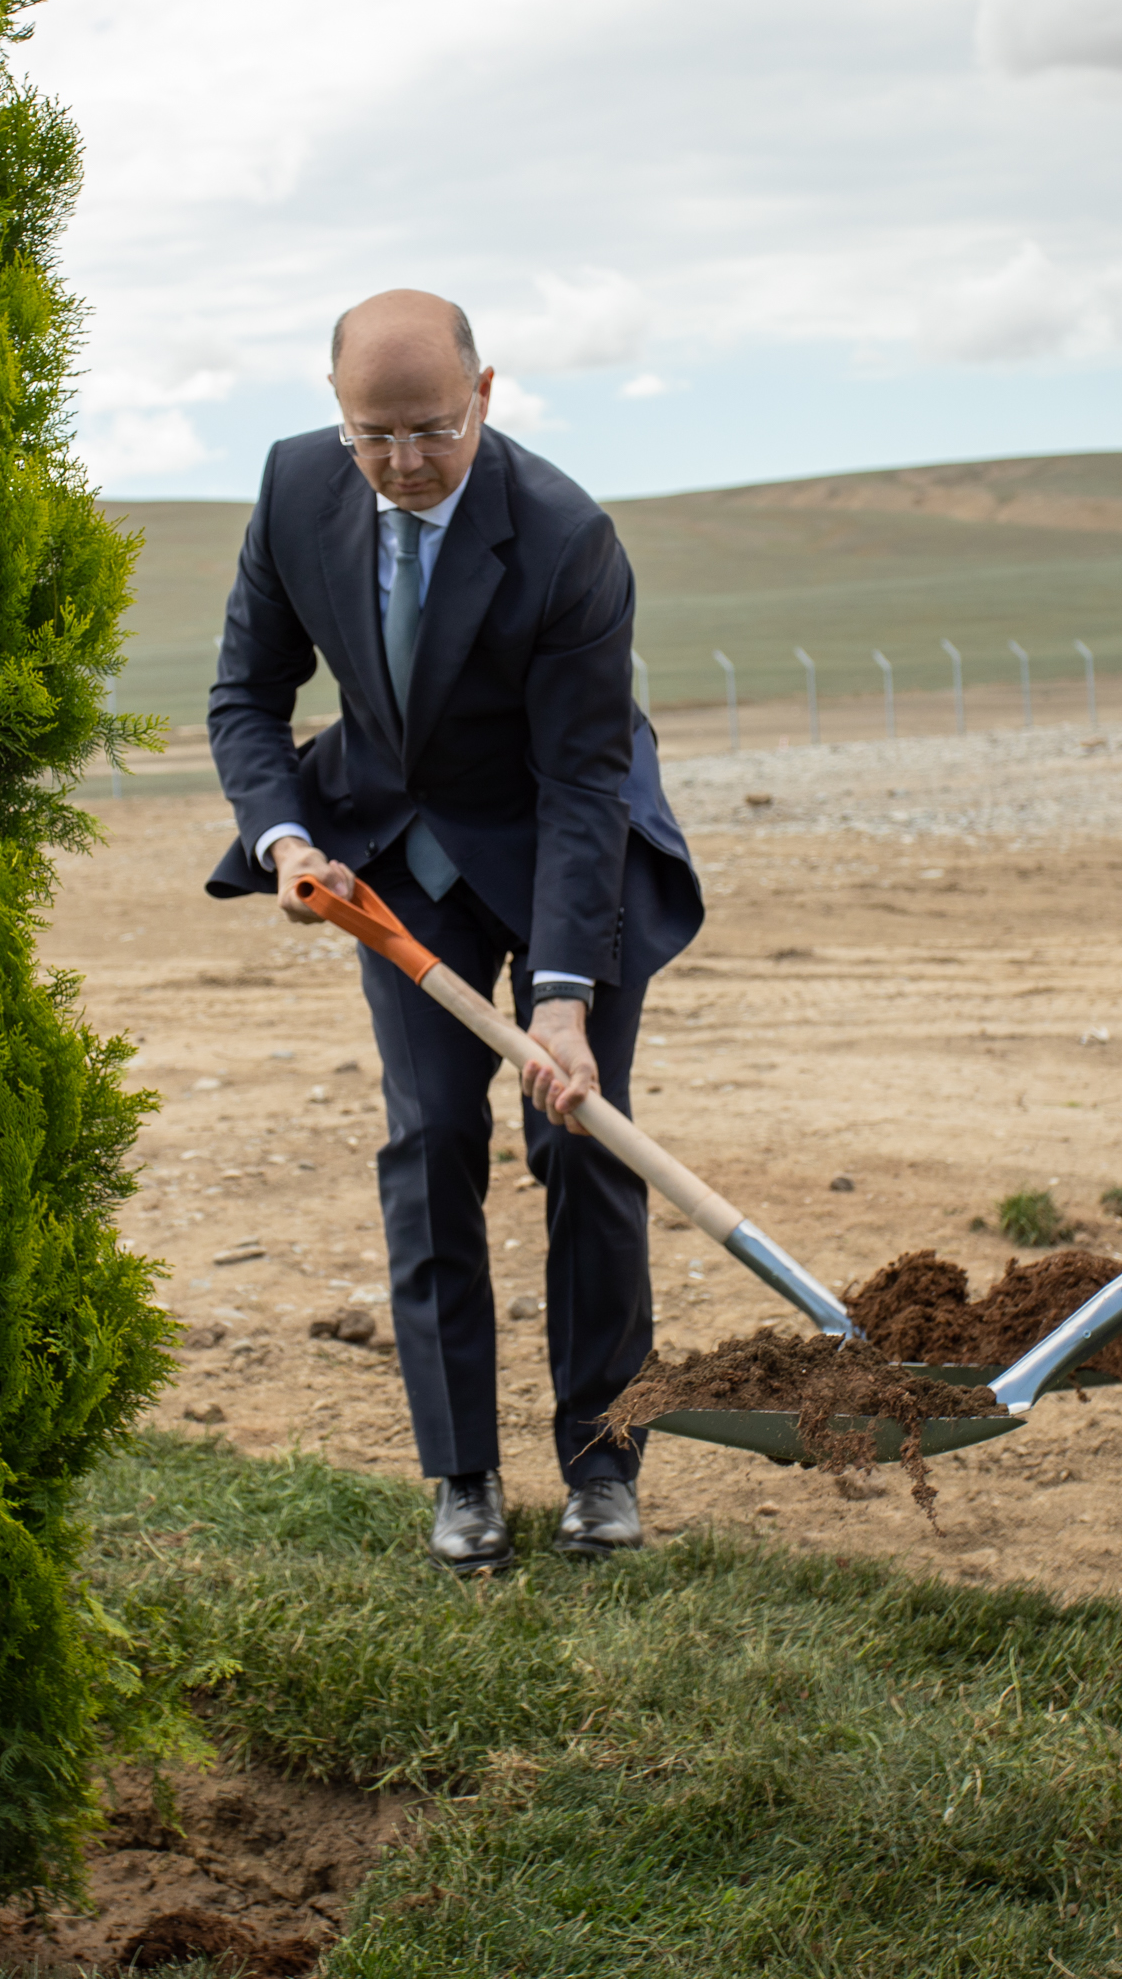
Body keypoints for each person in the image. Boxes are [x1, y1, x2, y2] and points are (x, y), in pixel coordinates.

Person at [206, 289, 703, 1575]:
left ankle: (603, 1462)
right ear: (337, 418)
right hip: (393, 857)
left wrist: (560, 995)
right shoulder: (293, 491)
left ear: (484, 394)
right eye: (374, 436)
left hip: (555, 842)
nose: (405, 462)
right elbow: (247, 696)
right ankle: (462, 1475)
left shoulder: (563, 536)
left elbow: (587, 780)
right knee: (430, 1141)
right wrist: (283, 837)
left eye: (429, 429)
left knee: (582, 1142)